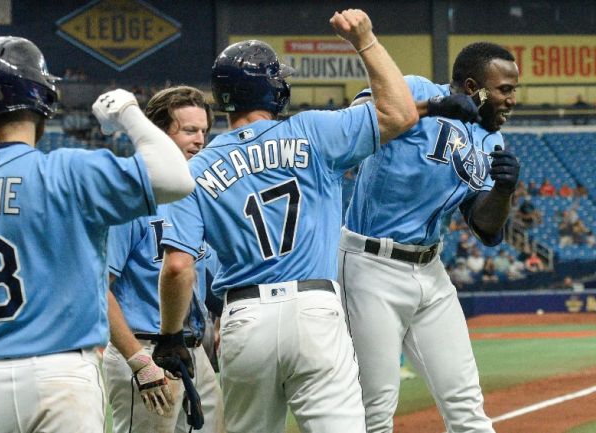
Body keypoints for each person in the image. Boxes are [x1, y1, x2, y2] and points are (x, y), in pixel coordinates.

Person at [150, 9, 477, 433]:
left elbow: (178, 267)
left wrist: (170, 335)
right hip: (314, 308)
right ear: (273, 90)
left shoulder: (195, 169)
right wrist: (365, 40)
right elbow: (399, 113)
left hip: (244, 316)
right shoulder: (312, 132)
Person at [0, 36, 193, 433]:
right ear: (42, 96)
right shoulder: (69, 171)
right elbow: (176, 178)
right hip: (63, 376)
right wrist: (127, 111)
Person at [340, 41, 520, 433]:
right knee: (375, 410)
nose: (511, 99)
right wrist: (431, 109)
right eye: (504, 89)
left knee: (467, 405)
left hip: (430, 269)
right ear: (474, 87)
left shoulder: (490, 140)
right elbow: (354, 122)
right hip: (371, 264)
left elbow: (486, 229)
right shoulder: (420, 90)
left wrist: (504, 191)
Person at [103, 86, 224, 433]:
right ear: (157, 133)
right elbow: (100, 288)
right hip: (144, 346)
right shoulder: (129, 197)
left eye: (204, 130)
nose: (200, 140)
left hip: (191, 349)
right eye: (189, 130)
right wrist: (140, 363)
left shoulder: (196, 194)